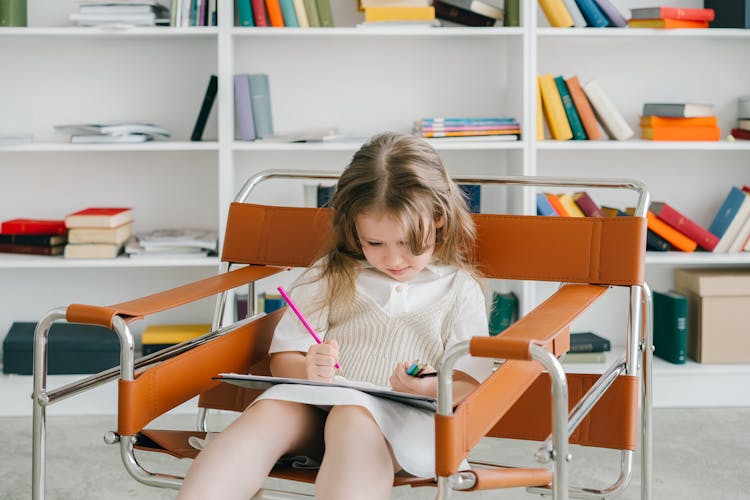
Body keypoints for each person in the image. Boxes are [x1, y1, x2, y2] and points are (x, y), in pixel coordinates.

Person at [177, 132, 495, 500]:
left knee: (353, 419)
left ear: (439, 218)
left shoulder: (458, 288)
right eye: (375, 243)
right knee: (270, 413)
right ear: (353, 227)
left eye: (410, 243)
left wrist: (428, 386)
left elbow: (470, 384)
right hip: (319, 411)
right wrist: (307, 368)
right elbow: (285, 360)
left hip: (405, 425)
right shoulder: (330, 273)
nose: (393, 259)